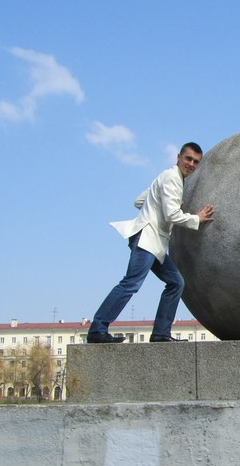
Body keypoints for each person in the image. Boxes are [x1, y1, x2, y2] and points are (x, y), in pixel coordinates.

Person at [86, 142, 214, 343]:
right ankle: (97, 329)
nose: (191, 164)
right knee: (131, 283)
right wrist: (196, 218)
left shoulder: (169, 178)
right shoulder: (172, 178)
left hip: (155, 243)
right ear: (178, 157)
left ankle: (161, 333)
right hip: (147, 239)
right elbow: (172, 214)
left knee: (176, 283)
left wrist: (153, 208)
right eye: (188, 158)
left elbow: (139, 201)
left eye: (196, 162)